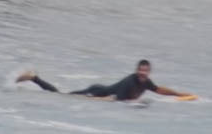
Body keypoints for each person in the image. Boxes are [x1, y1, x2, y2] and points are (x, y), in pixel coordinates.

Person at [15, 60, 193, 101]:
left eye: (146, 71)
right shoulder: (130, 82)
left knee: (62, 94)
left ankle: (34, 77)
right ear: (137, 70)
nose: (143, 73)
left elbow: (158, 90)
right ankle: (34, 77)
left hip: (102, 92)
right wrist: (90, 100)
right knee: (61, 96)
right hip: (97, 92)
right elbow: (112, 101)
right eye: (141, 70)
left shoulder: (145, 82)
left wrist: (178, 94)